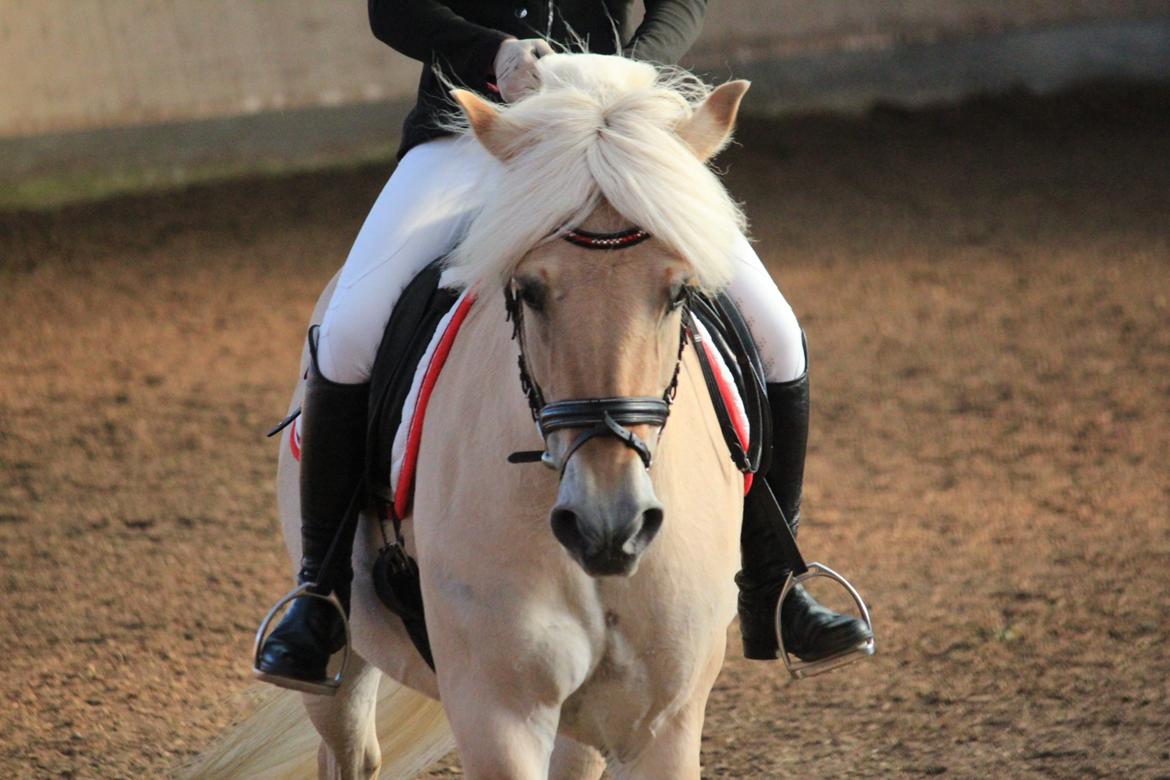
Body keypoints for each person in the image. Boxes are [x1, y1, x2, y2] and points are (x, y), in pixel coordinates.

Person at [255, 0, 872, 692]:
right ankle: (322, 596)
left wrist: (625, 73)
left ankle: (776, 584)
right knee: (347, 331)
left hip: (617, 131)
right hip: (472, 133)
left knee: (777, 333)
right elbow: (393, 9)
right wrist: (494, 56)